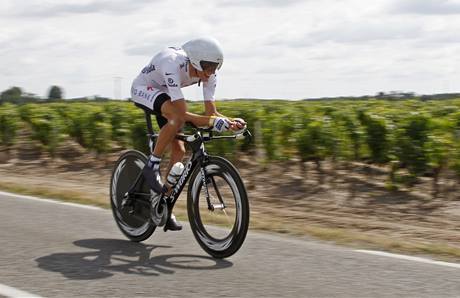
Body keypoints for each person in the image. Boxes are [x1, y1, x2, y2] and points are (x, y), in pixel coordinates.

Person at [131, 37, 246, 231]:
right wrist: (212, 122)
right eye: (207, 67)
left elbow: (211, 114)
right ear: (194, 61)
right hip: (143, 89)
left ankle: (162, 204)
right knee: (176, 118)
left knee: (179, 150)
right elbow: (182, 114)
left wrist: (230, 122)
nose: (210, 73)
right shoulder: (172, 62)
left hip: (164, 93)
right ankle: (152, 166)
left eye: (215, 67)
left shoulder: (209, 75)